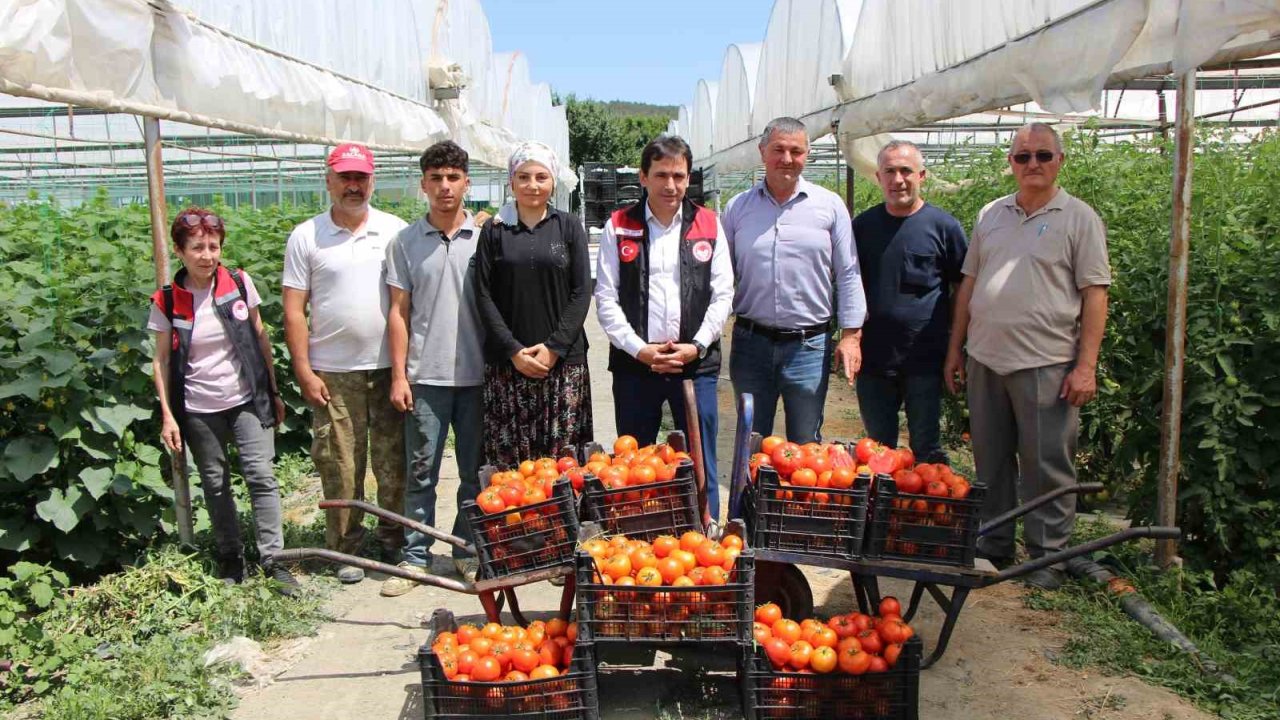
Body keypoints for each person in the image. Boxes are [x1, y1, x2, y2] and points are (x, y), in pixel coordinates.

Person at [944, 123, 1110, 590]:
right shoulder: (991, 214)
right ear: (1011, 163)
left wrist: (1085, 366)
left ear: (1060, 161)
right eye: (1022, 157)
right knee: (990, 459)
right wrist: (956, 349)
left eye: (1042, 155)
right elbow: (970, 285)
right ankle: (993, 544)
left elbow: (1094, 294)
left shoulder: (1078, 218)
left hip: (1046, 362)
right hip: (987, 359)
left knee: (1047, 465)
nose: (1032, 164)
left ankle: (1047, 558)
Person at [149, 207, 299, 596]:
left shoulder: (237, 282)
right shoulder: (167, 299)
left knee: (261, 477)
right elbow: (162, 359)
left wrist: (272, 390)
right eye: (197, 247)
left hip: (245, 398)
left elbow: (260, 336)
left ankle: (274, 561)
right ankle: (231, 559)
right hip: (199, 407)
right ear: (180, 252)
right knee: (214, 483)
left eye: (213, 246)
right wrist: (168, 415)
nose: (207, 255)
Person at [282, 143, 408, 584]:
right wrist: (303, 368)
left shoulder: (396, 231)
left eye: (361, 178)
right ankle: (346, 549)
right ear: (329, 180)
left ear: (372, 181)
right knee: (340, 461)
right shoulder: (306, 236)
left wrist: (401, 370)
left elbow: (406, 305)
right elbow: (294, 309)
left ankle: (395, 540)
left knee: (394, 460)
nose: (354, 186)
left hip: (387, 367)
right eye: (345, 178)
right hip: (332, 371)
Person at [594, 135, 733, 519]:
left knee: (699, 452)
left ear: (689, 179)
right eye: (661, 175)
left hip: (695, 364)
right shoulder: (619, 225)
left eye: (679, 176)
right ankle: (635, 532)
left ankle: (706, 528)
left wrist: (698, 345)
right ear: (643, 177)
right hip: (636, 364)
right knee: (633, 459)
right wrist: (638, 348)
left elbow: (723, 295)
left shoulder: (709, 224)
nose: (670, 185)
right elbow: (605, 298)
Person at [380, 140, 484, 597]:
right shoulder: (405, 242)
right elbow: (398, 312)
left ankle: (466, 551)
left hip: (479, 377)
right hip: (426, 378)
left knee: (474, 471)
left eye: (453, 178)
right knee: (421, 470)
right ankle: (416, 556)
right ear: (423, 184)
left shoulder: (486, 238)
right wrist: (400, 375)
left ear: (466, 183)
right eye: (436, 178)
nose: (445, 187)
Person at [722, 117, 866, 443]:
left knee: (805, 447)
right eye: (778, 150)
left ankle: (797, 496)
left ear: (807, 154)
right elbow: (721, 276)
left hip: (809, 348)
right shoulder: (738, 208)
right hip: (750, 345)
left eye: (796, 151)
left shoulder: (829, 206)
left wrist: (851, 336)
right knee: (752, 443)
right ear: (762, 152)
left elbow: (848, 272)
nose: (787, 159)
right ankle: (752, 497)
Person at [475, 142, 593, 467]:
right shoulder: (494, 231)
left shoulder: (568, 227)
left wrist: (554, 348)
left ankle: (566, 518)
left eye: (541, 176)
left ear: (553, 181)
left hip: (562, 365)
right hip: (508, 367)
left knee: (563, 465)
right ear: (511, 182)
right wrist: (513, 350)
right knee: (514, 469)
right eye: (524, 176)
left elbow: (581, 292)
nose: (533, 185)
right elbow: (483, 295)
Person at [853, 140, 968, 464]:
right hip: (874, 360)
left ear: (922, 175)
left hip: (926, 361)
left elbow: (962, 289)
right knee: (877, 451)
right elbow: (849, 286)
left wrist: (956, 348)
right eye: (890, 171)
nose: (898, 179)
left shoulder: (943, 227)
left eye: (906, 171)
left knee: (927, 448)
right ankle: (883, 513)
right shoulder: (863, 226)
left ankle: (927, 513)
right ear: (878, 177)